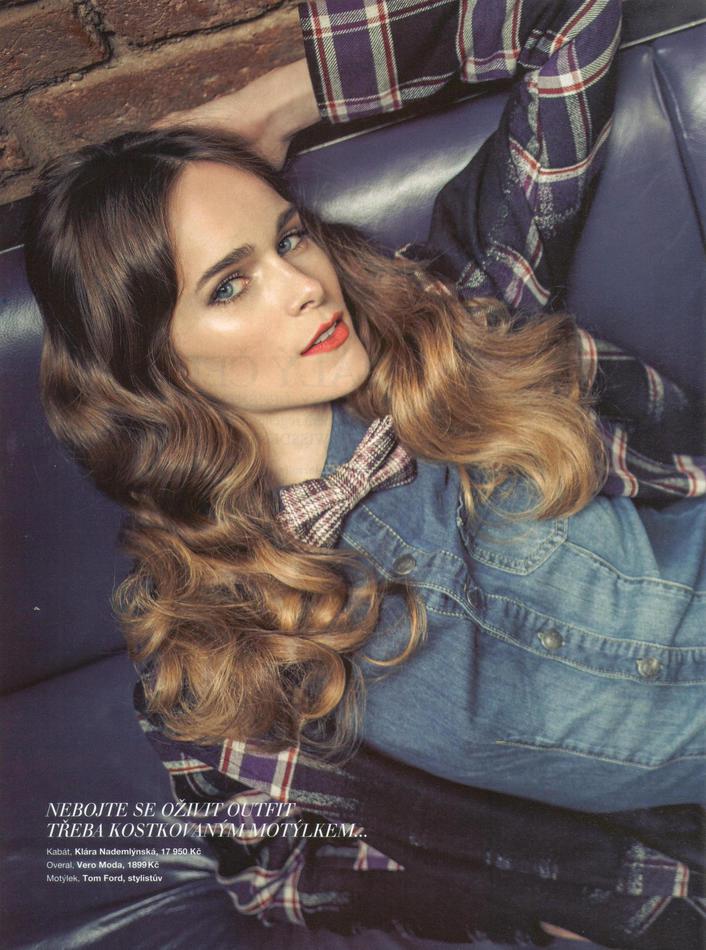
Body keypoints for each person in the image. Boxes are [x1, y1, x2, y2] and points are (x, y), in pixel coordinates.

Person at [23, 0, 705, 945]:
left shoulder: (455, 320)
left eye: (288, 238)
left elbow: (566, 17)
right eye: (230, 285)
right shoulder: (217, 648)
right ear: (155, 365)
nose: (305, 285)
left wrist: (278, 102)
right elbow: (283, 881)